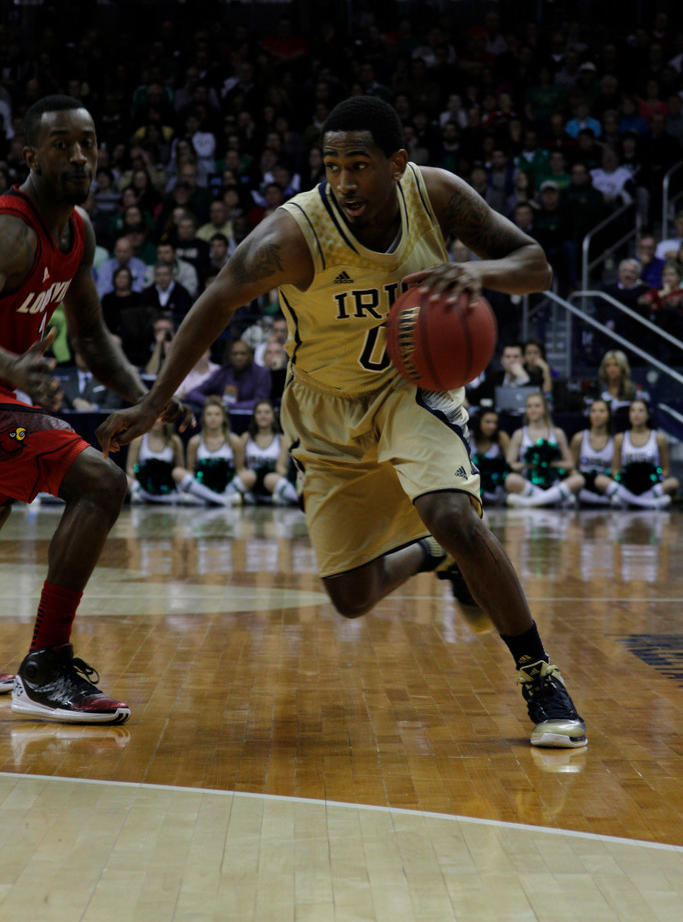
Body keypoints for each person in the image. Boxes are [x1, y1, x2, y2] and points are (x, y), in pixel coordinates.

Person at [97, 95, 587, 749]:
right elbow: (216, 299)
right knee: (350, 597)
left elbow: (535, 265)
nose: (344, 181)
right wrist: (155, 401)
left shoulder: (436, 196)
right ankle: (429, 558)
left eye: (359, 164)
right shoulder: (293, 234)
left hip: (411, 389)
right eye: (332, 166)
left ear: (397, 163)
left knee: (454, 512)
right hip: (324, 407)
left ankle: (538, 674)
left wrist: (476, 270)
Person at [0, 94, 188, 721]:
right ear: (31, 154)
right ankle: (45, 665)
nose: (79, 155)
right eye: (61, 144)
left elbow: (91, 337)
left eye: (88, 143)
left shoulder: (78, 228)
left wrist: (148, 395)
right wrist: (9, 365)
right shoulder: (11, 232)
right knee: (102, 483)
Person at [595, 398, 679, 509]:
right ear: (629, 415)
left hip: (651, 484)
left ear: (648, 415)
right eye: (633, 410)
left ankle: (626, 500)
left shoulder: (659, 438)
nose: (636, 414)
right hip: (627, 485)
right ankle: (649, 502)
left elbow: (665, 469)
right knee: (600, 480)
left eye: (640, 411)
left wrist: (653, 479)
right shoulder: (620, 438)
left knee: (673, 483)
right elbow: (615, 469)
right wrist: (624, 480)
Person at [505, 392, 584, 507]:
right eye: (529, 406)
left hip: (553, 483)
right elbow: (510, 465)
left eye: (537, 406)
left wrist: (552, 463)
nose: (533, 409)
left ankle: (533, 502)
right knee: (510, 479)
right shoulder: (519, 434)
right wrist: (528, 464)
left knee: (579, 479)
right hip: (528, 483)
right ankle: (554, 499)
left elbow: (570, 464)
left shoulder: (557, 433)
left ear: (545, 409)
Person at [172, 396, 242, 507]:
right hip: (202, 484)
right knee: (177, 472)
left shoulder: (234, 440)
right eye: (209, 414)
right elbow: (190, 470)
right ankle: (221, 500)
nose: (213, 418)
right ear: (203, 418)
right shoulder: (195, 442)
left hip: (226, 486)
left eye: (217, 414)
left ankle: (205, 500)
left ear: (223, 417)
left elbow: (240, 469)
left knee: (250, 476)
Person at [232, 400, 299, 506]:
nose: (263, 416)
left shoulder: (281, 439)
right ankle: (228, 497)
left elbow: (281, 468)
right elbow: (239, 467)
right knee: (248, 476)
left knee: (270, 479)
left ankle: (299, 500)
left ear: (273, 415)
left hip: (271, 483)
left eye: (267, 412)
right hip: (250, 483)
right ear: (254, 416)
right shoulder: (246, 437)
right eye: (259, 412)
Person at [126, 417, 187, 504]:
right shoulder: (138, 439)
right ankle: (146, 495)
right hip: (143, 485)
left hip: (166, 486)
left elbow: (180, 468)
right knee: (125, 479)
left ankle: (161, 498)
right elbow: (130, 468)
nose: (156, 421)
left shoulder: (174, 441)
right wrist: (143, 478)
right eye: (154, 417)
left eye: (160, 418)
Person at [569, 399, 615, 506]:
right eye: (593, 411)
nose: (597, 415)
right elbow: (571, 468)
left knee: (602, 482)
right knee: (576, 482)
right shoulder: (579, 438)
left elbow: (615, 471)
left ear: (609, 415)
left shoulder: (615, 441)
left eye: (601, 411)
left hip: (603, 485)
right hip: (582, 484)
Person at [469, 409, 510, 506]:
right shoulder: (469, 436)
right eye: (487, 422)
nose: (492, 426)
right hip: (474, 486)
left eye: (494, 422)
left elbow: (510, 463)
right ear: (479, 422)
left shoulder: (501, 437)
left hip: (496, 488)